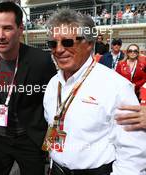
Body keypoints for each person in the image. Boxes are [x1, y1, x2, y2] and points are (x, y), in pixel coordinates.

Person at [43, 9, 146, 175]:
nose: (59, 49)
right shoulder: (53, 84)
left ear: (89, 44)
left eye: (68, 42)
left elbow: (133, 154)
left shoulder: (117, 87)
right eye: (52, 44)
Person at [0, 2, 56, 175]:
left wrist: (51, 144)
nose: (0, 35)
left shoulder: (41, 60)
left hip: (29, 140)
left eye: (7, 28)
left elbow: (54, 105)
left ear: (20, 29)